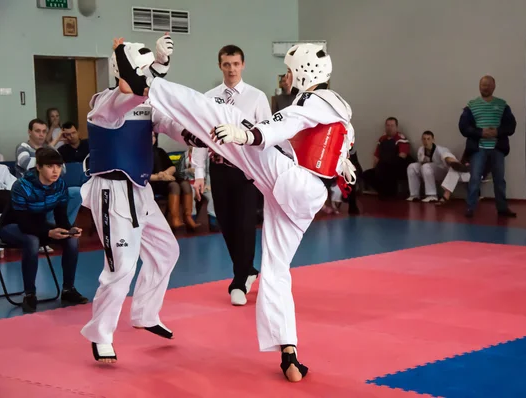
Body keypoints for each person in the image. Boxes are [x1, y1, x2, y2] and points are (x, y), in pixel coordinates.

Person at [115, 40, 356, 382]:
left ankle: (148, 85)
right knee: (275, 269)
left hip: (295, 181)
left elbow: (286, 122)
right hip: (304, 194)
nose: (288, 77)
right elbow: (336, 136)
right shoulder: (335, 104)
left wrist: (249, 133)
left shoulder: (315, 101)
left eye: (290, 71)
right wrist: (342, 161)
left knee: (227, 117)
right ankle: (289, 352)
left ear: (304, 71)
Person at [80, 35, 182, 364]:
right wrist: (159, 66)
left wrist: (194, 134)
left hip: (140, 189)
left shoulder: (145, 102)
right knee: (121, 267)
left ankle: (145, 314)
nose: (147, 80)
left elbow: (165, 121)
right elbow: (130, 93)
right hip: (111, 192)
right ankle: (100, 334)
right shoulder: (105, 103)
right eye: (143, 72)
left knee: (167, 250)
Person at [192, 45, 272, 306]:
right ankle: (247, 269)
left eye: (236, 64)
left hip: (248, 170)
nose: (231, 69)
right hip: (218, 166)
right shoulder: (209, 97)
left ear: (243, 65)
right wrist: (199, 172)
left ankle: (239, 279)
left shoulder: (257, 97)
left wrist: (267, 172)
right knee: (225, 222)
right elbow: (200, 136)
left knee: (245, 223)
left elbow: (268, 135)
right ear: (220, 66)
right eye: (226, 64)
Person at [0, 148, 88, 313]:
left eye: (58, 166)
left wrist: (70, 229)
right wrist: (48, 233)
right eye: (50, 166)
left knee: (71, 240)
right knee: (32, 241)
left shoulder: (60, 184)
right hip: (12, 227)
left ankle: (68, 290)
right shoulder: (22, 186)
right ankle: (30, 294)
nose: (55, 170)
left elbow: (61, 218)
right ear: (39, 167)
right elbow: (24, 223)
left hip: (39, 225)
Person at [459, 75, 517, 218]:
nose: (485, 87)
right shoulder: (471, 106)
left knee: (499, 179)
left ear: (494, 86)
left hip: (497, 148)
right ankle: (470, 208)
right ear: (479, 86)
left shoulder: (503, 105)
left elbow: (511, 126)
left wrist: (497, 131)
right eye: (483, 85)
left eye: (488, 85)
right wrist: (480, 133)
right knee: (475, 178)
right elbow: (463, 127)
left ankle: (502, 208)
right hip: (478, 148)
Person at [406, 131, 460, 202]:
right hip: (428, 170)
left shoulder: (441, 150)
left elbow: (449, 158)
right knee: (411, 166)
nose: (426, 141)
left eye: (428, 139)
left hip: (443, 172)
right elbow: (421, 162)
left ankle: (432, 195)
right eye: (424, 139)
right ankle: (414, 195)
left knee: (426, 166)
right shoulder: (421, 150)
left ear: (433, 140)